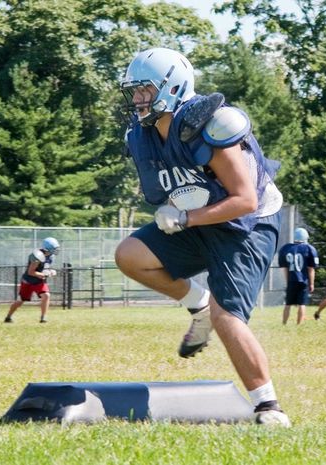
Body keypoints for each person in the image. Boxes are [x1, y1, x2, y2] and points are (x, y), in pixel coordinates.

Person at [113, 48, 289, 426]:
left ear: (172, 87)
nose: (138, 99)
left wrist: (186, 217)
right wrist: (182, 216)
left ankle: (268, 406)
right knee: (130, 255)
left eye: (145, 90)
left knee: (229, 318)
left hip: (248, 225)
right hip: (197, 219)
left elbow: (245, 200)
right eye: (134, 91)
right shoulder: (141, 133)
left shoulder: (211, 124)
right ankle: (199, 304)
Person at [4, 237, 60, 323]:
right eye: (54, 248)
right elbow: (31, 272)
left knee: (46, 295)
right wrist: (45, 274)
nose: (56, 250)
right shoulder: (37, 255)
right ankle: (8, 317)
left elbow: (45, 268)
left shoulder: (50, 256)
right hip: (28, 281)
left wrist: (51, 271)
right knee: (20, 301)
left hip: (39, 281)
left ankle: (43, 318)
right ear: (48, 248)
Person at [277, 227, 319, 325]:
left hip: (292, 280)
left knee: (288, 304)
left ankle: (284, 323)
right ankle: (299, 324)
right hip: (303, 280)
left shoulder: (286, 248)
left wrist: (288, 281)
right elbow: (311, 269)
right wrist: (312, 283)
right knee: (302, 304)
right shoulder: (309, 248)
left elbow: (285, 268)